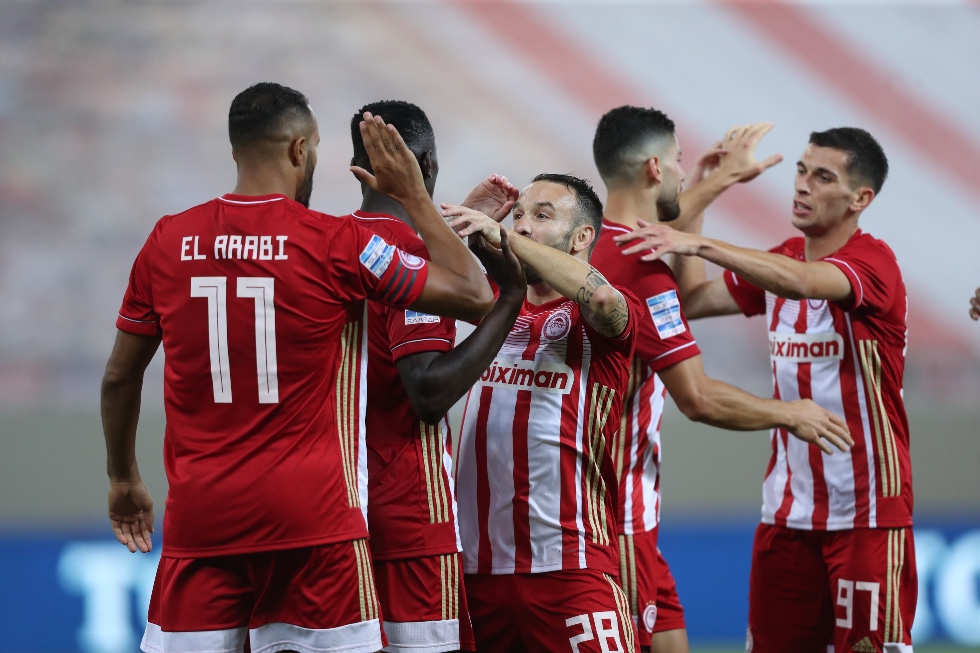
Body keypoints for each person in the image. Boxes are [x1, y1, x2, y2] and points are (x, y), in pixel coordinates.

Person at [101, 82, 493, 653]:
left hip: (203, 521)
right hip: (315, 523)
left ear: (236, 149)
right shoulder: (335, 242)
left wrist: (122, 479)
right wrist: (415, 196)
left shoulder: (166, 241)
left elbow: (119, 377)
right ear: (299, 149)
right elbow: (474, 294)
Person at [617, 127, 916, 653]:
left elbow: (802, 282)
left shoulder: (874, 264)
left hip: (867, 513)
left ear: (859, 199)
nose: (802, 184)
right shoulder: (782, 257)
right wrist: (703, 199)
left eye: (823, 177)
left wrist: (703, 243)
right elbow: (692, 298)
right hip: (787, 513)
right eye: (801, 170)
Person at [588, 107, 854, 653]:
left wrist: (710, 188)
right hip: (613, 517)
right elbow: (699, 398)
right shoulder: (641, 271)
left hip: (617, 514)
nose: (684, 172)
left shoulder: (586, 244)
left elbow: (659, 247)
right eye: (679, 162)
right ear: (656, 169)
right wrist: (790, 413)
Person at [438, 173, 649, 653]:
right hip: (474, 572)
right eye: (518, 216)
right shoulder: (488, 305)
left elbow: (601, 298)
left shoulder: (600, 316)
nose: (522, 226)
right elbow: (408, 278)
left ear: (581, 237)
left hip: (571, 568)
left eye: (542, 216)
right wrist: (459, 230)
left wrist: (505, 238)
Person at [346, 99, 526, 653]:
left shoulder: (334, 241)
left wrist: (447, 236)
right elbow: (427, 391)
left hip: (337, 510)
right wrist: (510, 299)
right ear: (426, 165)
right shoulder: (410, 254)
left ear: (357, 168)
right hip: (407, 517)